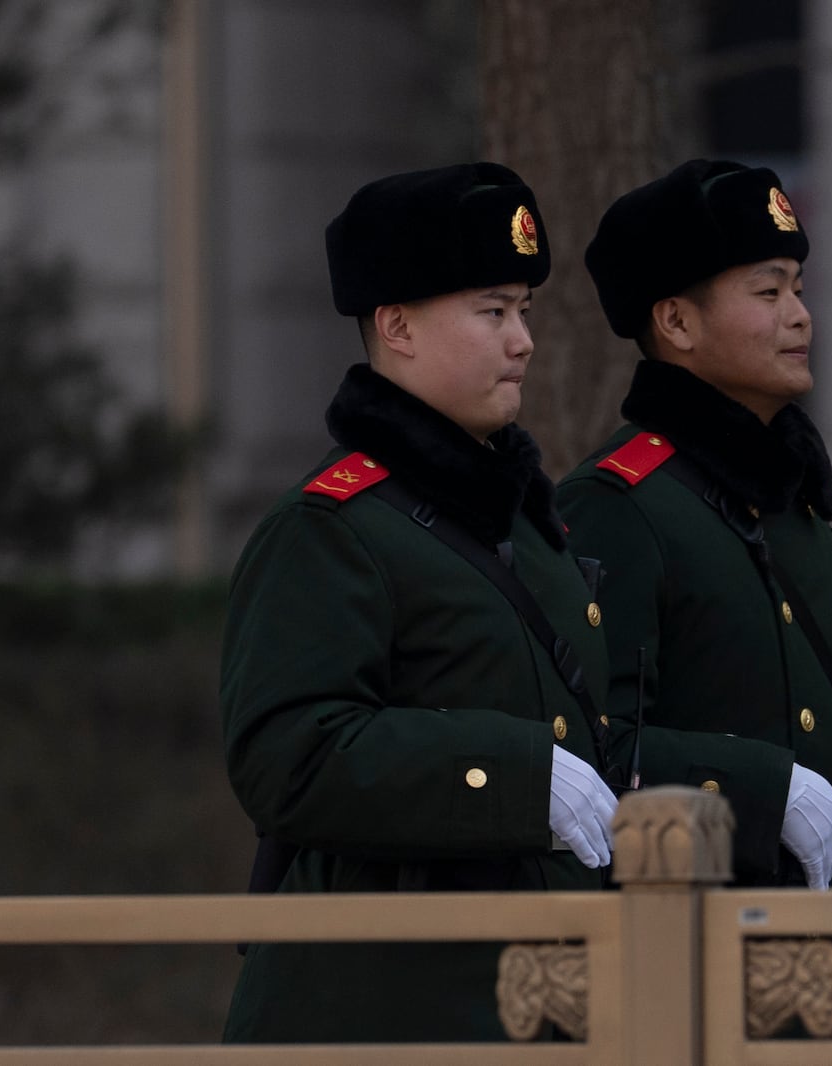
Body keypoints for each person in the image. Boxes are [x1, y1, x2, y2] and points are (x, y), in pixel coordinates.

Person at [221, 162, 618, 1043]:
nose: (522, 341)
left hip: (541, 1006)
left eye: (523, 311)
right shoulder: (330, 528)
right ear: (396, 325)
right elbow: (288, 754)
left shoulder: (524, 525)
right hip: (387, 1016)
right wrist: (507, 772)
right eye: (491, 311)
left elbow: (590, 744)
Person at [556, 158, 832, 1035]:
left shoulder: (797, 496)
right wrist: (768, 791)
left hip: (812, 947)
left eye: (799, 287)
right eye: (767, 291)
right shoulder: (621, 505)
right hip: (682, 964)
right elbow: (591, 744)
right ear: (677, 322)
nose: (801, 315)